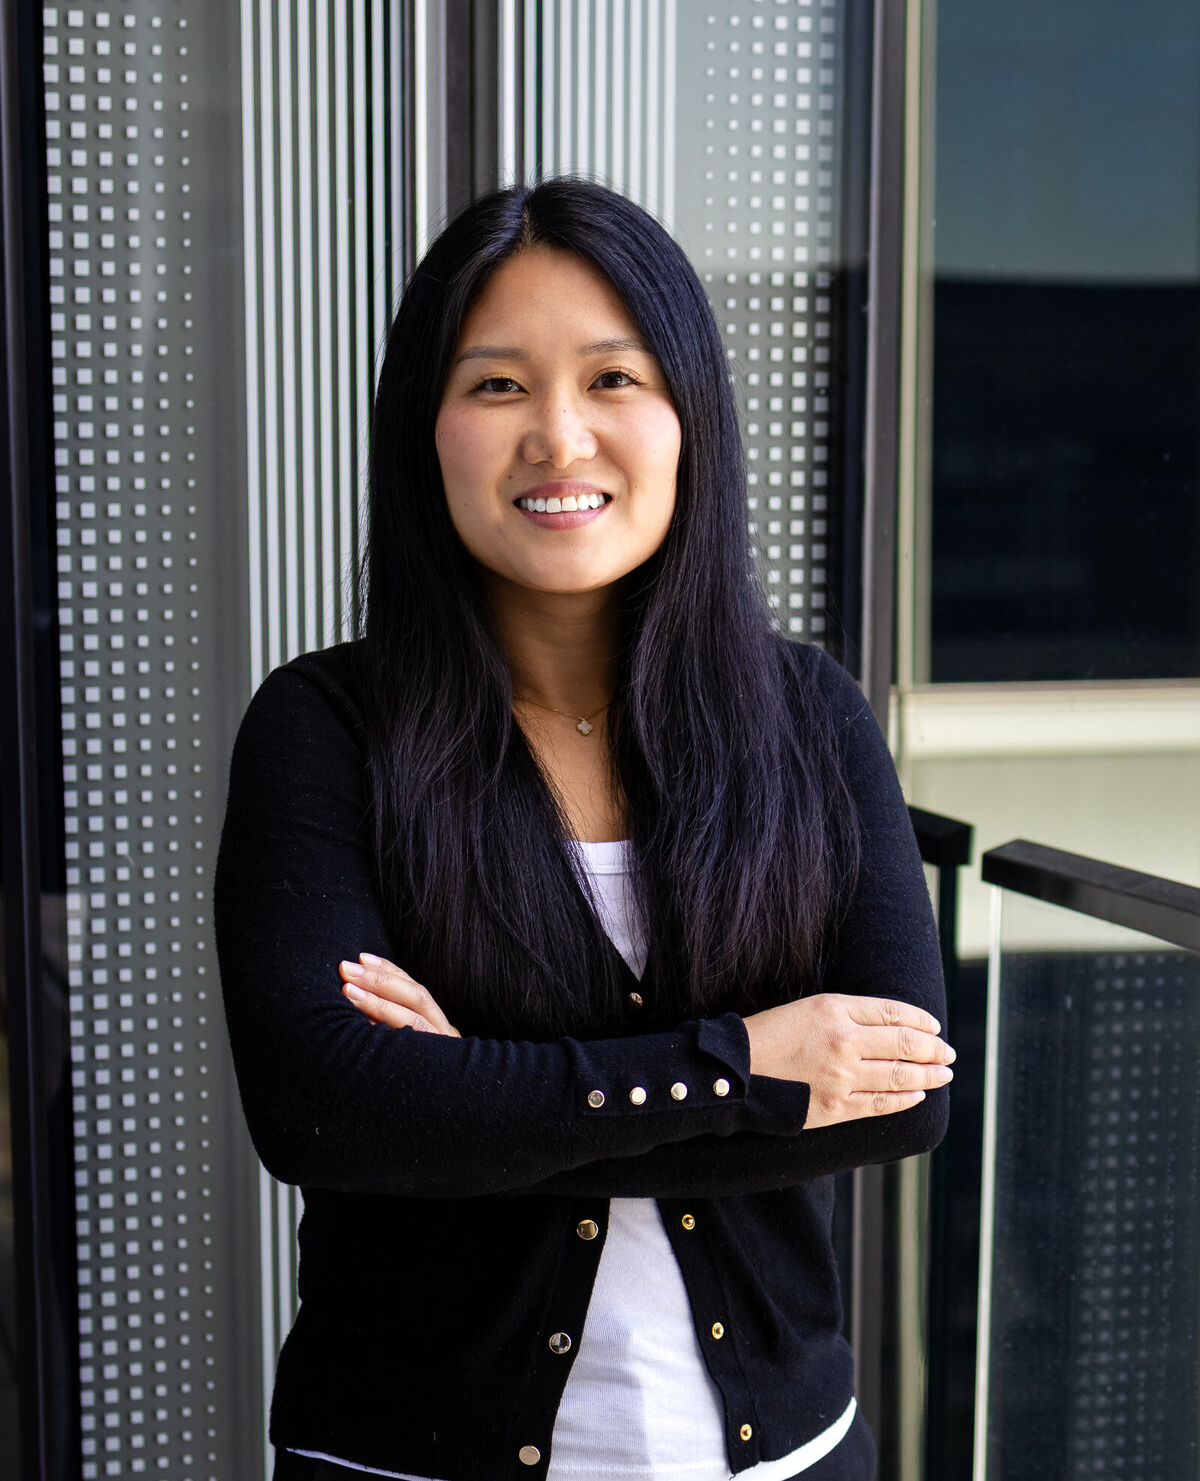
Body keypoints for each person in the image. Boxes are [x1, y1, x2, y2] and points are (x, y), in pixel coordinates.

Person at [214, 177, 953, 1481]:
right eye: (497, 386)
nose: (559, 435)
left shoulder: (808, 714)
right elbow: (325, 1112)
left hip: (790, 1457)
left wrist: (484, 1091)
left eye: (615, 378)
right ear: (422, 429)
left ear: (689, 419)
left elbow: (897, 1098)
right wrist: (744, 1062)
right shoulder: (324, 727)